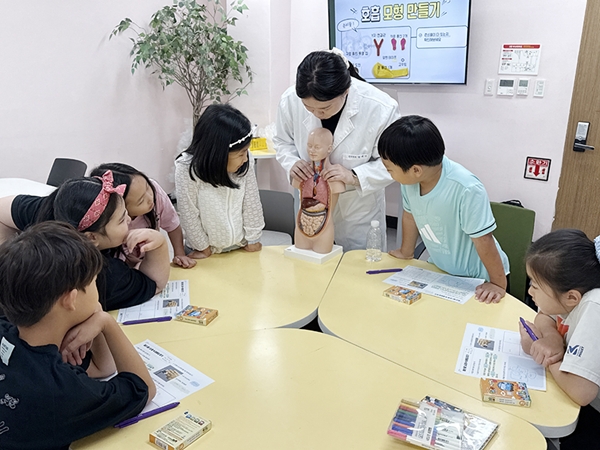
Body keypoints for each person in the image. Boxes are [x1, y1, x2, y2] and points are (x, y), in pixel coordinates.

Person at [0, 222, 156, 450]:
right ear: (71, 299)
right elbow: (142, 388)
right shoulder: (60, 390)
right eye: (94, 282)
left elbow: (102, 369)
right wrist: (107, 322)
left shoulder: (12, 335)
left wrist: (96, 319)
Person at [274, 49, 401, 250]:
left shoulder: (380, 108)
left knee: (356, 264)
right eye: (309, 108)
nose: (317, 113)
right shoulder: (290, 100)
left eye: (324, 108)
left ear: (346, 91)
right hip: (311, 202)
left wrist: (354, 176)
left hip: (357, 209)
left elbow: (395, 162)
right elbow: (282, 141)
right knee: (309, 258)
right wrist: (292, 163)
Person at [379, 115, 509, 303]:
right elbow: (410, 215)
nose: (388, 173)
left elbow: (483, 239)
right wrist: (406, 251)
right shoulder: (410, 182)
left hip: (480, 278)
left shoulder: (466, 189)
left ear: (416, 170)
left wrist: (497, 284)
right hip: (442, 270)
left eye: (389, 169)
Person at [0, 171, 170, 310]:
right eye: (121, 220)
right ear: (91, 237)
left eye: (126, 212)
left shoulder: (58, 209)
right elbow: (155, 283)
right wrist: (159, 244)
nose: (129, 220)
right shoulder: (101, 277)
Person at [519, 228, 600, 449]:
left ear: (571, 297)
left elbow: (581, 392)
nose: (530, 292)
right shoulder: (571, 293)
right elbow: (543, 315)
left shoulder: (594, 306)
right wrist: (551, 338)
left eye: (535, 286)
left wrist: (543, 354)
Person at [175, 103, 264, 258]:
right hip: (204, 250)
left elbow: (252, 202)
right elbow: (188, 214)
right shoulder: (186, 168)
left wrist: (253, 238)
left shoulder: (245, 161)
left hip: (240, 247)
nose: (245, 158)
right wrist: (202, 247)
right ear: (219, 153)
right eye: (241, 153)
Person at [90, 163, 196, 268]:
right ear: (121, 207)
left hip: (148, 257)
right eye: (140, 201)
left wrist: (180, 254)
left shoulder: (155, 191)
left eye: (147, 187)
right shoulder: (112, 224)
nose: (150, 198)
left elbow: (172, 223)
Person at [293, 128, 345, 254]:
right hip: (302, 223)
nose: (312, 150)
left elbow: (331, 207)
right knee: (300, 258)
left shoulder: (334, 177)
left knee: (322, 258)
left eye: (317, 147)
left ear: (329, 148)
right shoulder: (303, 173)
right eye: (309, 146)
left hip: (324, 225)